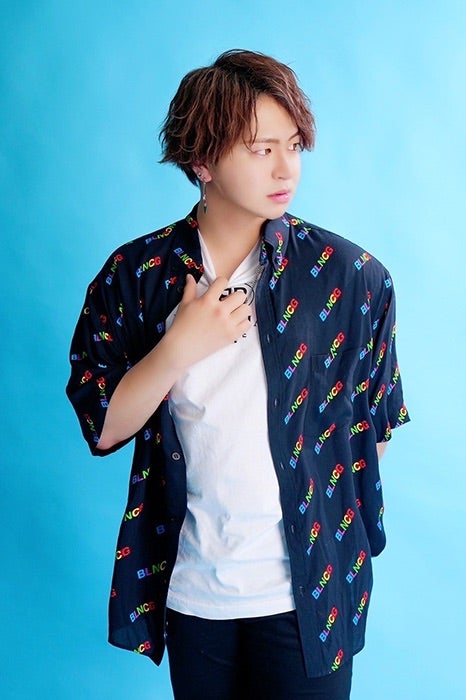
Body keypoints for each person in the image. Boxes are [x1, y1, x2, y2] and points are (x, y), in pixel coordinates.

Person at [66, 49, 410, 700]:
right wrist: (178, 347)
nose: (286, 168)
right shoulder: (137, 276)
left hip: (309, 595)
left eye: (293, 145)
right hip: (194, 592)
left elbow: (377, 424)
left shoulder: (351, 277)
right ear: (202, 161)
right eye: (260, 149)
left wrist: (326, 526)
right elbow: (104, 426)